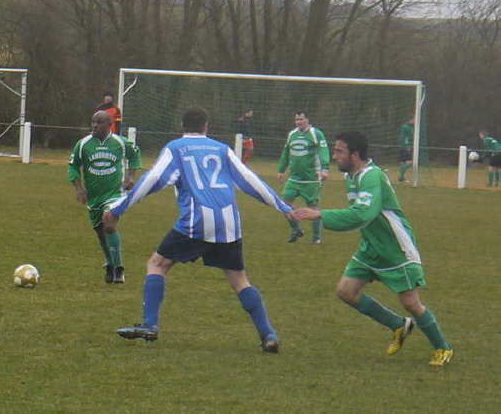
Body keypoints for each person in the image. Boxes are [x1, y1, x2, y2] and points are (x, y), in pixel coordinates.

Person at [103, 107, 293, 353]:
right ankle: (268, 334)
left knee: (157, 264)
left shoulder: (176, 148)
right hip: (228, 223)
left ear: (182, 125)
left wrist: (117, 209)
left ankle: (150, 325)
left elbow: (152, 180)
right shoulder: (222, 149)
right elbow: (249, 180)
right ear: (206, 126)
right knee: (239, 280)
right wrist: (281, 206)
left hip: (195, 221)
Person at [292, 131, 453, 366]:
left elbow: (362, 214)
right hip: (370, 247)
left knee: (410, 303)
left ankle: (442, 348)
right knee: (346, 291)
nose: (334, 156)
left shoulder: (371, 176)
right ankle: (398, 325)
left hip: (395, 247)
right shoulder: (351, 176)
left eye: (339, 151)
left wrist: (320, 214)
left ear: (355, 154)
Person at [68, 110, 141, 284]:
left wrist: (130, 177)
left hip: (115, 194)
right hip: (94, 197)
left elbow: (134, 155)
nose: (94, 125)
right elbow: (73, 167)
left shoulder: (120, 143)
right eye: (93, 122)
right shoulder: (83, 144)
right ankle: (110, 263)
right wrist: (79, 188)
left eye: (98, 122)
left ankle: (118, 269)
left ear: (110, 125)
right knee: (101, 233)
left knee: (108, 223)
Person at [277, 112, 329, 245]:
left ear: (307, 119)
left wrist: (324, 169)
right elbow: (286, 152)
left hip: (311, 179)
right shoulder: (292, 134)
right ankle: (296, 229)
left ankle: (316, 238)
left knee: (313, 209)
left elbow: (324, 151)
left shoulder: (316, 133)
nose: (298, 122)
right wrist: (281, 170)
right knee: (284, 205)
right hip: (293, 179)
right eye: (296, 119)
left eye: (301, 119)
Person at [398, 118, 414, 182]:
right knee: (410, 162)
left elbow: (402, 137)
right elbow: (407, 138)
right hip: (406, 147)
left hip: (401, 146)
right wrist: (408, 146)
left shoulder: (403, 126)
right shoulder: (408, 128)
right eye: (413, 120)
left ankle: (402, 177)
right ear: (410, 120)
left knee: (402, 162)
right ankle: (401, 176)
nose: (414, 121)